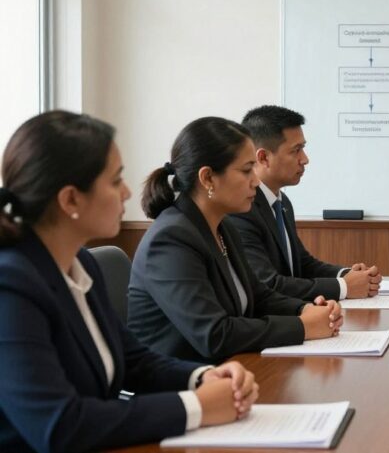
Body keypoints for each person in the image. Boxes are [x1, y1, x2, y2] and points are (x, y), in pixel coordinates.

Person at [0, 111, 257, 452]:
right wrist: (198, 407)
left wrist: (202, 378)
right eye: (114, 180)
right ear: (70, 199)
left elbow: (135, 360)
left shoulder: (81, 264)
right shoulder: (11, 286)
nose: (125, 192)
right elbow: (59, 425)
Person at [127, 117, 342, 363]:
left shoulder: (222, 226)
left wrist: (305, 309)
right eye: (246, 170)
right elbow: (214, 335)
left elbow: (259, 295)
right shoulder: (170, 240)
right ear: (207, 178)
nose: (256, 180)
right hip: (182, 388)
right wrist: (302, 327)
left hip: (229, 371)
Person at [228, 105, 382, 301]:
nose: (305, 159)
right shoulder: (241, 210)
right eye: (296, 150)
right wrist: (344, 287)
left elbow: (302, 264)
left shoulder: (282, 203)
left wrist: (347, 275)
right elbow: (268, 283)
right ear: (263, 157)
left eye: (303, 148)